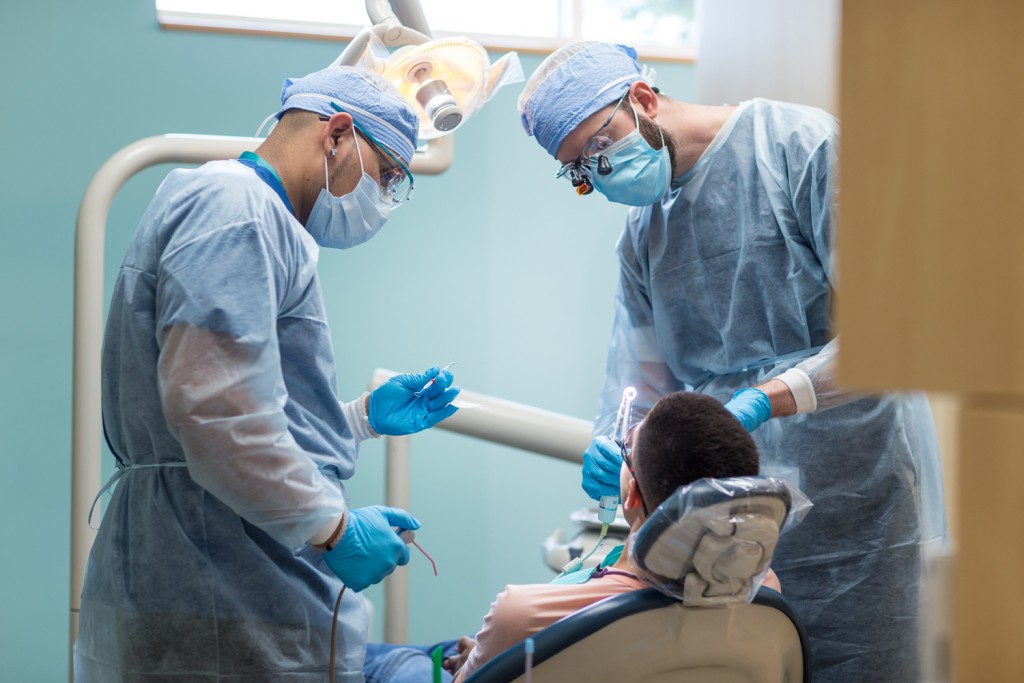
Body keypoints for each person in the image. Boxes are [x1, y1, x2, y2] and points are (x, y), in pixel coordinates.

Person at [516, 42, 947, 682]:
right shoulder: (643, 236)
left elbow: (891, 330)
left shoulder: (799, 147)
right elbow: (637, 378)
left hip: (864, 501)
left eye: (599, 148)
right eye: (579, 170)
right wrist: (616, 443)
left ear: (643, 98)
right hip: (729, 526)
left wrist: (766, 398)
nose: (598, 175)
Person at [74, 66, 462, 682]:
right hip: (216, 588)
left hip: (221, 570)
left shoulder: (254, 217)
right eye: (387, 175)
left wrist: (356, 419)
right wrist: (337, 530)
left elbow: (227, 399)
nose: (385, 197)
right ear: (336, 134)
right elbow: (216, 415)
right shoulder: (236, 210)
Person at [440, 391, 771, 681]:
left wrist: (481, 658)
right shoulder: (765, 595)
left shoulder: (523, 615)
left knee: (416, 656)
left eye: (627, 451)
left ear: (631, 495)